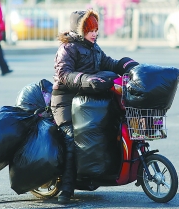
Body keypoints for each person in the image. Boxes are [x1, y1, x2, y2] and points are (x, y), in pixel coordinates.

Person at [51, 9, 139, 204]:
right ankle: (66, 189)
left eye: (96, 28)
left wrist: (128, 64)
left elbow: (109, 63)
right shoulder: (67, 48)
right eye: (90, 29)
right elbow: (64, 75)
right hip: (65, 101)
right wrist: (87, 79)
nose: (94, 33)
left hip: (86, 100)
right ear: (79, 29)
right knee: (71, 139)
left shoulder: (94, 48)